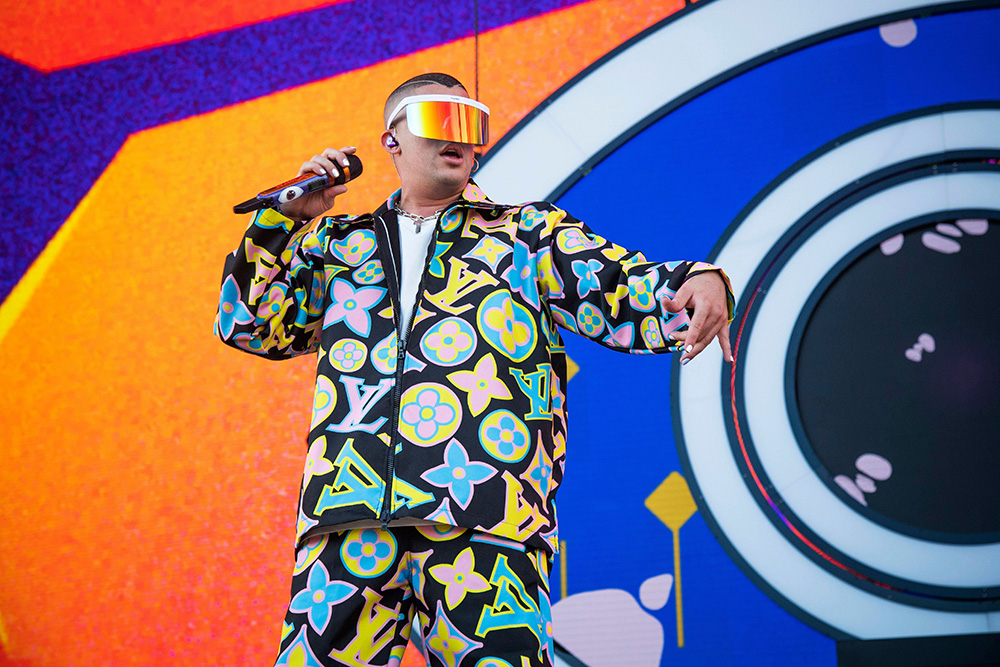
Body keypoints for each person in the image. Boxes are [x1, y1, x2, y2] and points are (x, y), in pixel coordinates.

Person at [215, 72, 733, 667]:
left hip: (484, 519)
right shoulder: (336, 242)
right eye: (441, 119)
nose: (462, 137)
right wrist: (282, 221)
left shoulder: (526, 234)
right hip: (347, 521)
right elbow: (250, 323)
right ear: (392, 140)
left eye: (473, 122)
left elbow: (618, 288)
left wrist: (701, 281)